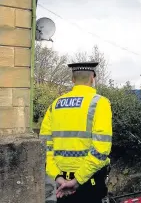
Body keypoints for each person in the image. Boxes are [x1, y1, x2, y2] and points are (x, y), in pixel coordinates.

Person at [39, 62, 113, 203]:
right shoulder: (100, 103)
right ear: (93, 78)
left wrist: (57, 177)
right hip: (89, 181)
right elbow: (101, 150)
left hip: (62, 183)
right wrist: (77, 179)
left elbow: (45, 146)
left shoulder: (55, 104)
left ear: (73, 80)